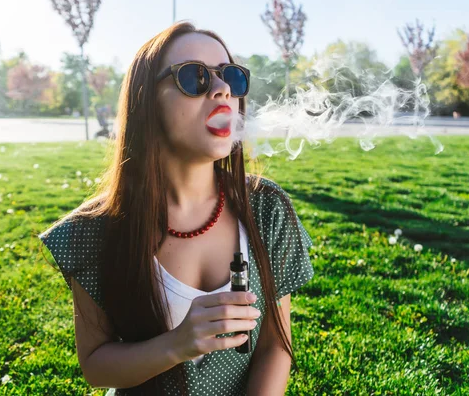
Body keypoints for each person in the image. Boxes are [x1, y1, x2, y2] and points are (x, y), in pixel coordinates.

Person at [38, 21, 314, 396]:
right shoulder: (95, 231)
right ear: (146, 101)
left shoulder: (266, 210)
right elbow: (97, 364)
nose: (222, 90)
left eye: (230, 77)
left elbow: (275, 346)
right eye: (194, 78)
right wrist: (177, 345)